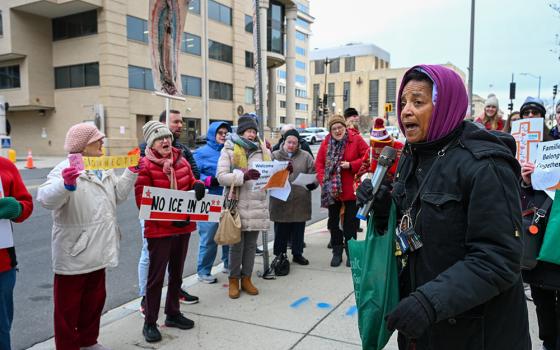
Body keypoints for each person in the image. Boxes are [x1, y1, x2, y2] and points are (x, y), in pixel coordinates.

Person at [356, 65, 530, 349]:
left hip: (475, 334)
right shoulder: (414, 155)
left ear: (446, 105)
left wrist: (428, 302)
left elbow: (498, 258)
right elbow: (411, 222)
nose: (406, 111)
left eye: (418, 102)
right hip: (423, 331)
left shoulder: (485, 165)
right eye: (403, 103)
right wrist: (384, 206)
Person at [37, 123, 138, 350]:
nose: (103, 142)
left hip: (99, 249)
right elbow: (45, 199)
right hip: (74, 253)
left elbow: (118, 196)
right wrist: (66, 184)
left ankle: (88, 341)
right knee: (67, 310)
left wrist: (131, 172)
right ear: (83, 146)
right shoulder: (65, 169)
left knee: (94, 302)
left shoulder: (104, 167)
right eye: (97, 140)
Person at [134, 121, 205, 343]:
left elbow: (190, 181)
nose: (165, 140)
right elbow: (142, 201)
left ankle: (173, 313)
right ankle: (150, 322)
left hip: (182, 226)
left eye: (166, 136)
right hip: (159, 231)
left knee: (176, 274)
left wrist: (197, 186)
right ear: (151, 143)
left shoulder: (180, 158)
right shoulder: (144, 165)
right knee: (155, 279)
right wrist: (168, 218)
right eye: (158, 138)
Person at [518, 97, 560, 350]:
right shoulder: (545, 146)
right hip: (542, 235)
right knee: (543, 299)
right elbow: (531, 193)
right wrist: (526, 180)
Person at [216, 115, 271, 299]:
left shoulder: (263, 150)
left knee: (250, 246)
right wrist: (243, 176)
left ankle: (246, 278)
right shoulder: (229, 149)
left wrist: (282, 172)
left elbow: (271, 173)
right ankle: (233, 279)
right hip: (236, 205)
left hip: (256, 203)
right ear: (240, 132)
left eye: (254, 131)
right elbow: (221, 176)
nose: (252, 134)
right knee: (236, 246)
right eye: (249, 131)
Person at [315, 114, 368, 267]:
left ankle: (351, 254)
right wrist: (323, 181)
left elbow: (367, 157)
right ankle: (337, 252)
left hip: (351, 191)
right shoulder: (326, 143)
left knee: (350, 225)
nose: (337, 131)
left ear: (345, 127)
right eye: (334, 129)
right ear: (330, 131)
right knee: (333, 224)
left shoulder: (355, 139)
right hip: (332, 192)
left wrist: (351, 165)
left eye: (340, 127)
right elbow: (319, 164)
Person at [270, 128, 317, 267]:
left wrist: (312, 184)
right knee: (281, 229)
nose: (291, 145)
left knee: (298, 228)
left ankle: (297, 254)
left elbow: (315, 173)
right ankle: (280, 254)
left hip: (300, 199)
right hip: (280, 199)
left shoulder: (306, 156)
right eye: (289, 142)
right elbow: (266, 174)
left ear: (298, 144)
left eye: (294, 143)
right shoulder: (274, 155)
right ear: (284, 142)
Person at [0, 157, 33, 350]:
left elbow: (26, 204)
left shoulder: (5, 166)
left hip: (3, 266)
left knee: (2, 329)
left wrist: (16, 208)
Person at [193, 121, 232, 283]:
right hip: (208, 200)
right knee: (209, 238)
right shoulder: (201, 153)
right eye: (220, 133)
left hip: (228, 198)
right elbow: (192, 173)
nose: (223, 135)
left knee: (229, 234)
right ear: (212, 134)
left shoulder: (231, 151)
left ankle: (229, 264)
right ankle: (203, 271)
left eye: (226, 133)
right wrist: (208, 180)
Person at [354, 117, 404, 232]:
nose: (376, 151)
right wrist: (364, 183)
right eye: (374, 146)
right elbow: (361, 173)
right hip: (374, 204)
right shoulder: (370, 153)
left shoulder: (399, 150)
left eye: (380, 147)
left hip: (395, 203)